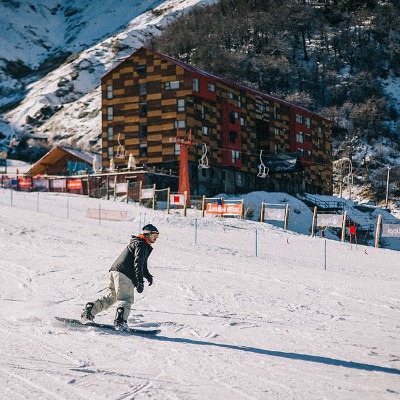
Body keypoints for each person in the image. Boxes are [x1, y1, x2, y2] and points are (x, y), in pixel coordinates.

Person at [81, 224, 159, 331]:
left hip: (115, 271)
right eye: (155, 234)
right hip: (124, 273)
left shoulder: (139, 243)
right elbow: (138, 263)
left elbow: (142, 264)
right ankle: (120, 321)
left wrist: (147, 276)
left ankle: (90, 311)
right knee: (126, 298)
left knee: (111, 297)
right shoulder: (141, 244)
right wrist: (140, 281)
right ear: (147, 233)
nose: (156, 237)